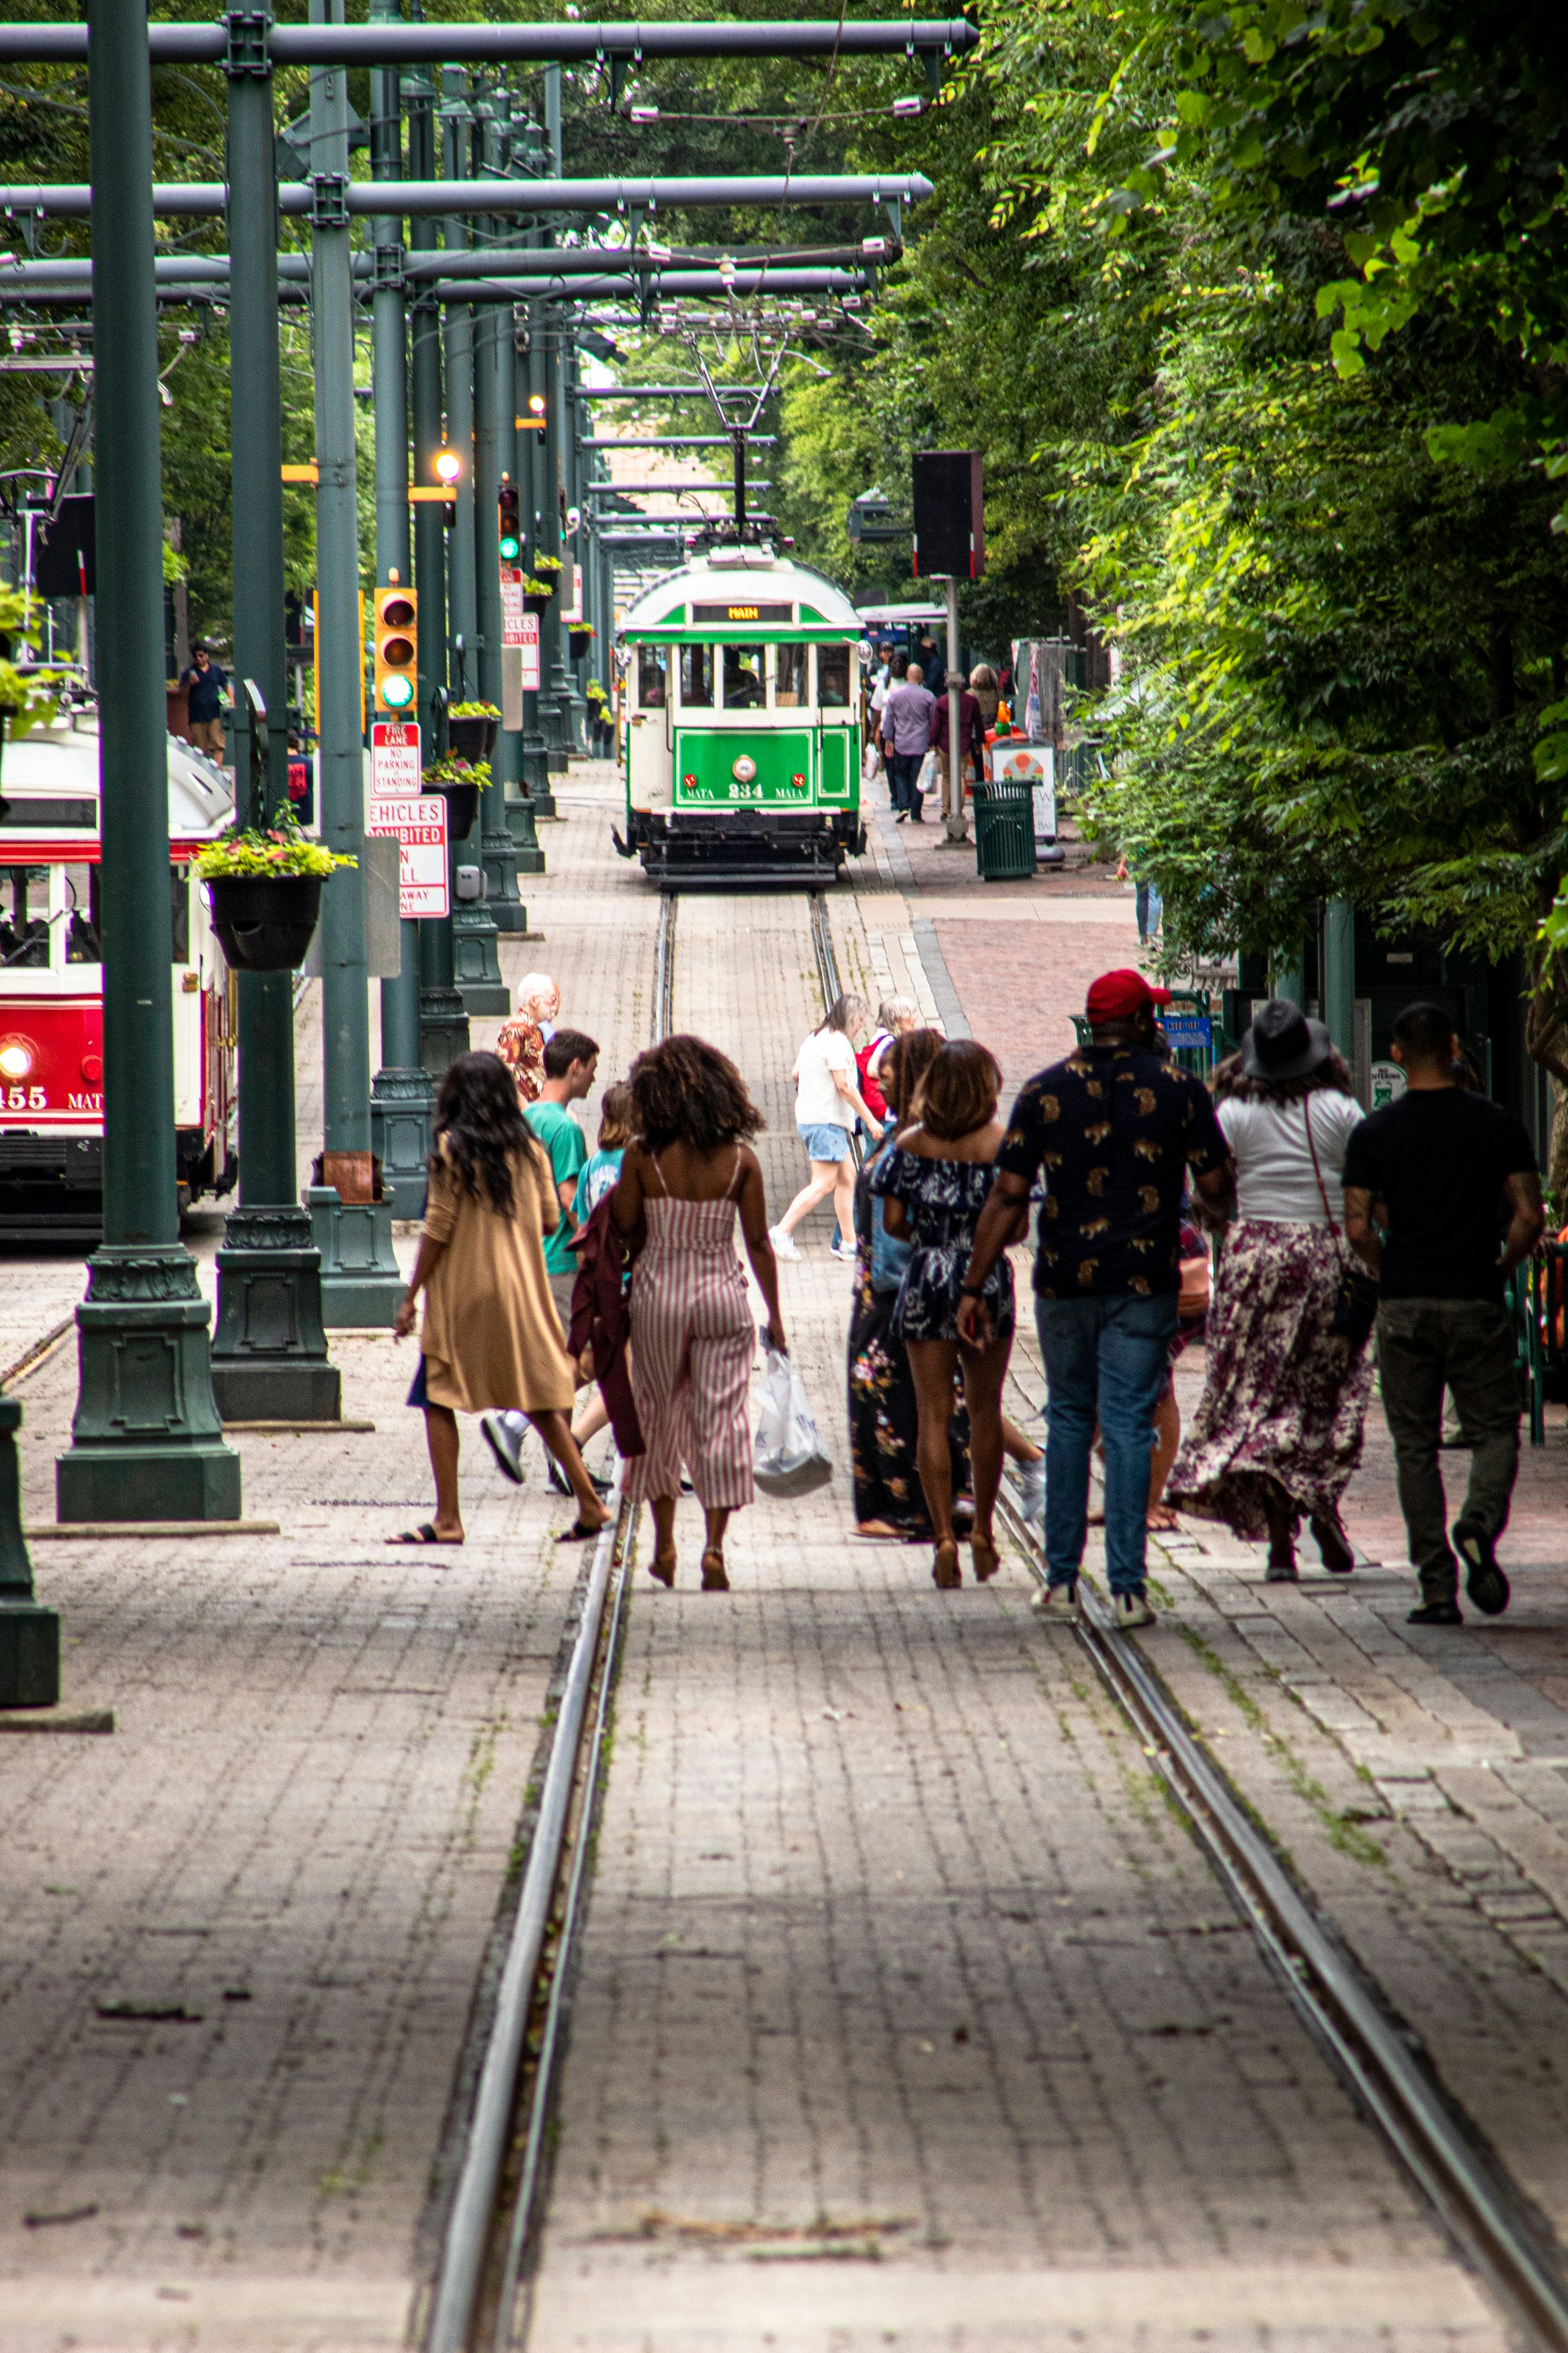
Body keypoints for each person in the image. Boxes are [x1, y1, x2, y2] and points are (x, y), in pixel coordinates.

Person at [958, 969, 1234, 1629]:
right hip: (1143, 1281)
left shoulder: (1043, 1090)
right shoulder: (1179, 1090)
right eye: (1151, 1016)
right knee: (1131, 1423)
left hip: (1065, 1280)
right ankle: (1128, 1588)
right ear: (1138, 1021)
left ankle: (1059, 1581)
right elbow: (1217, 1186)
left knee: (1069, 1421)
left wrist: (973, 1284)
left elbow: (1006, 1195)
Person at [1344, 1000, 1545, 1626]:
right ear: (1454, 1047)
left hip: (1403, 1301)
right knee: (1493, 1430)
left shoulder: (1374, 1133)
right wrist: (1501, 1268)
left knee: (1414, 1447)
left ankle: (1435, 1589)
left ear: (1396, 1055)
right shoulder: (1497, 1125)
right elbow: (1529, 1216)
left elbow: (1357, 1226)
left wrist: (1387, 1269)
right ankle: (1478, 1521)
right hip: (1473, 1296)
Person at [1165, 1001, 1372, 1581]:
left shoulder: (1231, 1112)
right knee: (1325, 1391)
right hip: (1327, 1257)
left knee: (1259, 1395)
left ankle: (1281, 1540)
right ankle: (1322, 1505)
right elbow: (1367, 1182)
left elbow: (1211, 1192)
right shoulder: (1340, 1110)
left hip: (1254, 1259)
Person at [389, 1053, 609, 1546]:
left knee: (435, 1395)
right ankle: (590, 1504)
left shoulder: (451, 1147)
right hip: (521, 1293)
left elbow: (438, 1228)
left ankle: (448, 1519)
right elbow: (550, 1221)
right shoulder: (531, 1150)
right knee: (537, 1398)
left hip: (464, 1294)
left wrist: (410, 1297)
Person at [610, 1034, 785, 1592]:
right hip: (721, 1298)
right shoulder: (740, 1161)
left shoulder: (642, 1156)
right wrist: (776, 1314)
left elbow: (626, 1227)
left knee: (657, 1416)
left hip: (658, 1296)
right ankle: (712, 1548)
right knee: (722, 1420)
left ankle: (664, 1545)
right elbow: (757, 1244)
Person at [869, 1040, 1024, 1589]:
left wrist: (932, 1237)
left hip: (926, 1275)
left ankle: (941, 1538)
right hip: (987, 1281)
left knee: (931, 1413)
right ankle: (981, 1529)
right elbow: (1018, 1228)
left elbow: (892, 1223)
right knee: (984, 1409)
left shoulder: (910, 1144)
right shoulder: (1003, 1145)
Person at [850, 1029, 974, 1539]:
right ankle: (926, 1504)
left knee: (899, 1396)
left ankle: (911, 1507)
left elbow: (898, 1225)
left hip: (896, 1286)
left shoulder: (913, 1140)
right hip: (885, 1284)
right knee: (907, 1395)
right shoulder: (899, 1132)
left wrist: (893, 1284)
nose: (879, 1080)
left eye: (888, 1073)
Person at [770, 994, 878, 1265]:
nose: (861, 1026)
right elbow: (844, 1086)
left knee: (847, 1178)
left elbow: (796, 1073)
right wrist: (870, 1120)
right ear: (850, 1018)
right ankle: (781, 1232)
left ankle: (849, 1244)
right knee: (824, 1183)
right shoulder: (837, 1043)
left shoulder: (815, 1037)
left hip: (816, 1120)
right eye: (860, 1020)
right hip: (825, 1123)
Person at [524, 1028, 598, 1341]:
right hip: (560, 1260)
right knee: (573, 1354)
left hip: (530, 1258)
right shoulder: (565, 1128)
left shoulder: (526, 1117)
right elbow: (569, 1200)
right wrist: (594, 1249)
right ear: (576, 1066)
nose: (594, 1078)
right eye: (592, 1069)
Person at [880, 660, 936, 824]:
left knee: (900, 775)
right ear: (921, 677)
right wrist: (932, 741)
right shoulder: (928, 697)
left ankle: (903, 806)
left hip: (901, 743)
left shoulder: (895, 696)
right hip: (920, 744)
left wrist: (888, 739)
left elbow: (888, 720)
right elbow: (933, 720)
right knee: (918, 778)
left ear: (907, 676)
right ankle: (916, 813)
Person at [495, 972, 561, 1108]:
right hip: (526, 1110)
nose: (555, 1005)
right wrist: (523, 1107)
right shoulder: (516, 1029)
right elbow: (502, 1073)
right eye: (552, 999)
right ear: (534, 1001)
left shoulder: (533, 1027)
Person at [856, 994, 919, 1128]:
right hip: (885, 1116)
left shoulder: (882, 1036)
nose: (915, 1018)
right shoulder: (889, 1041)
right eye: (910, 1014)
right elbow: (872, 1070)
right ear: (897, 1019)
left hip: (878, 1114)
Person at [929, 670, 984, 807]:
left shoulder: (941, 701)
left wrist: (932, 743)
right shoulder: (972, 701)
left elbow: (936, 725)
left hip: (944, 744)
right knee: (961, 776)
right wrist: (979, 742)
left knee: (947, 776)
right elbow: (978, 723)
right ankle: (958, 808)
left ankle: (946, 808)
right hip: (964, 744)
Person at [178, 643, 228, 762]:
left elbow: (226, 687)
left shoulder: (216, 670)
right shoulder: (188, 673)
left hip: (215, 713)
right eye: (195, 656)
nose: (199, 659)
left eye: (201, 655)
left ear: (207, 656)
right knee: (200, 750)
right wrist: (189, 684)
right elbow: (182, 695)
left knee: (218, 745)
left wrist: (229, 704)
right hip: (197, 716)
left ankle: (217, 769)